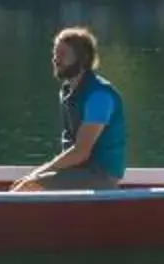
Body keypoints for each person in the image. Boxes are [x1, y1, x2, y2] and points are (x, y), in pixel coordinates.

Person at [13, 25, 125, 190]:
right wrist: (39, 173)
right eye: (55, 53)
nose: (55, 59)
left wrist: (38, 174)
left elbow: (81, 151)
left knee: (30, 186)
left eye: (63, 54)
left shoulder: (99, 96)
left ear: (82, 59)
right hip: (79, 171)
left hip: (100, 175)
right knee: (27, 183)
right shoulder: (68, 91)